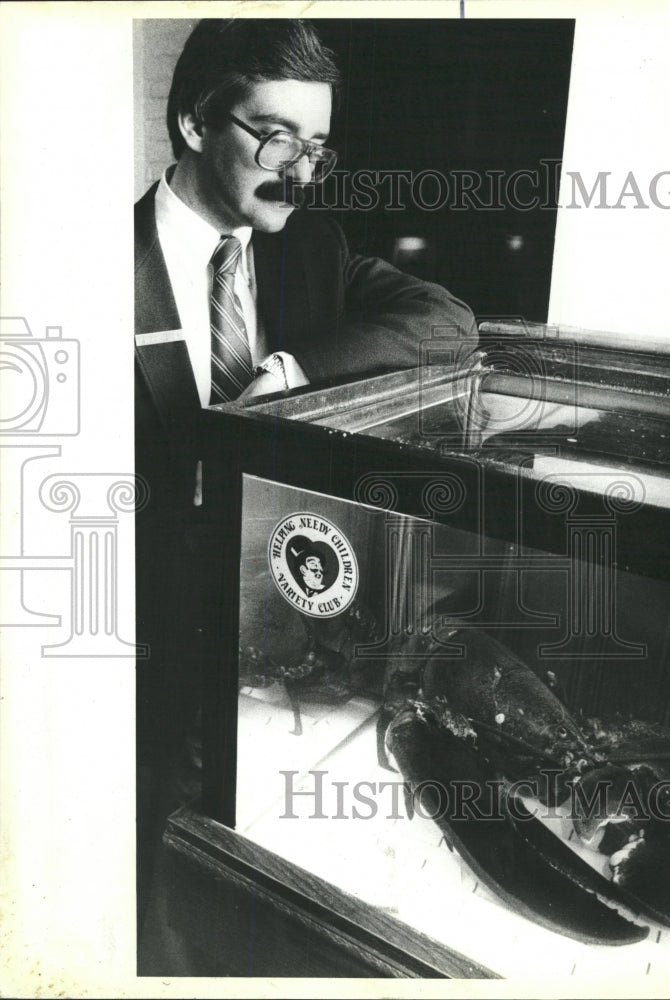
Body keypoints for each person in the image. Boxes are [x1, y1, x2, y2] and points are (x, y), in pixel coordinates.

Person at [134, 17, 477, 966]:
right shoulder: (82, 259)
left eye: (316, 146)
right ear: (196, 125)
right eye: (275, 136)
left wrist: (292, 371)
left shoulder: (306, 246)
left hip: (274, 658)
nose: (299, 169)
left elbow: (447, 324)